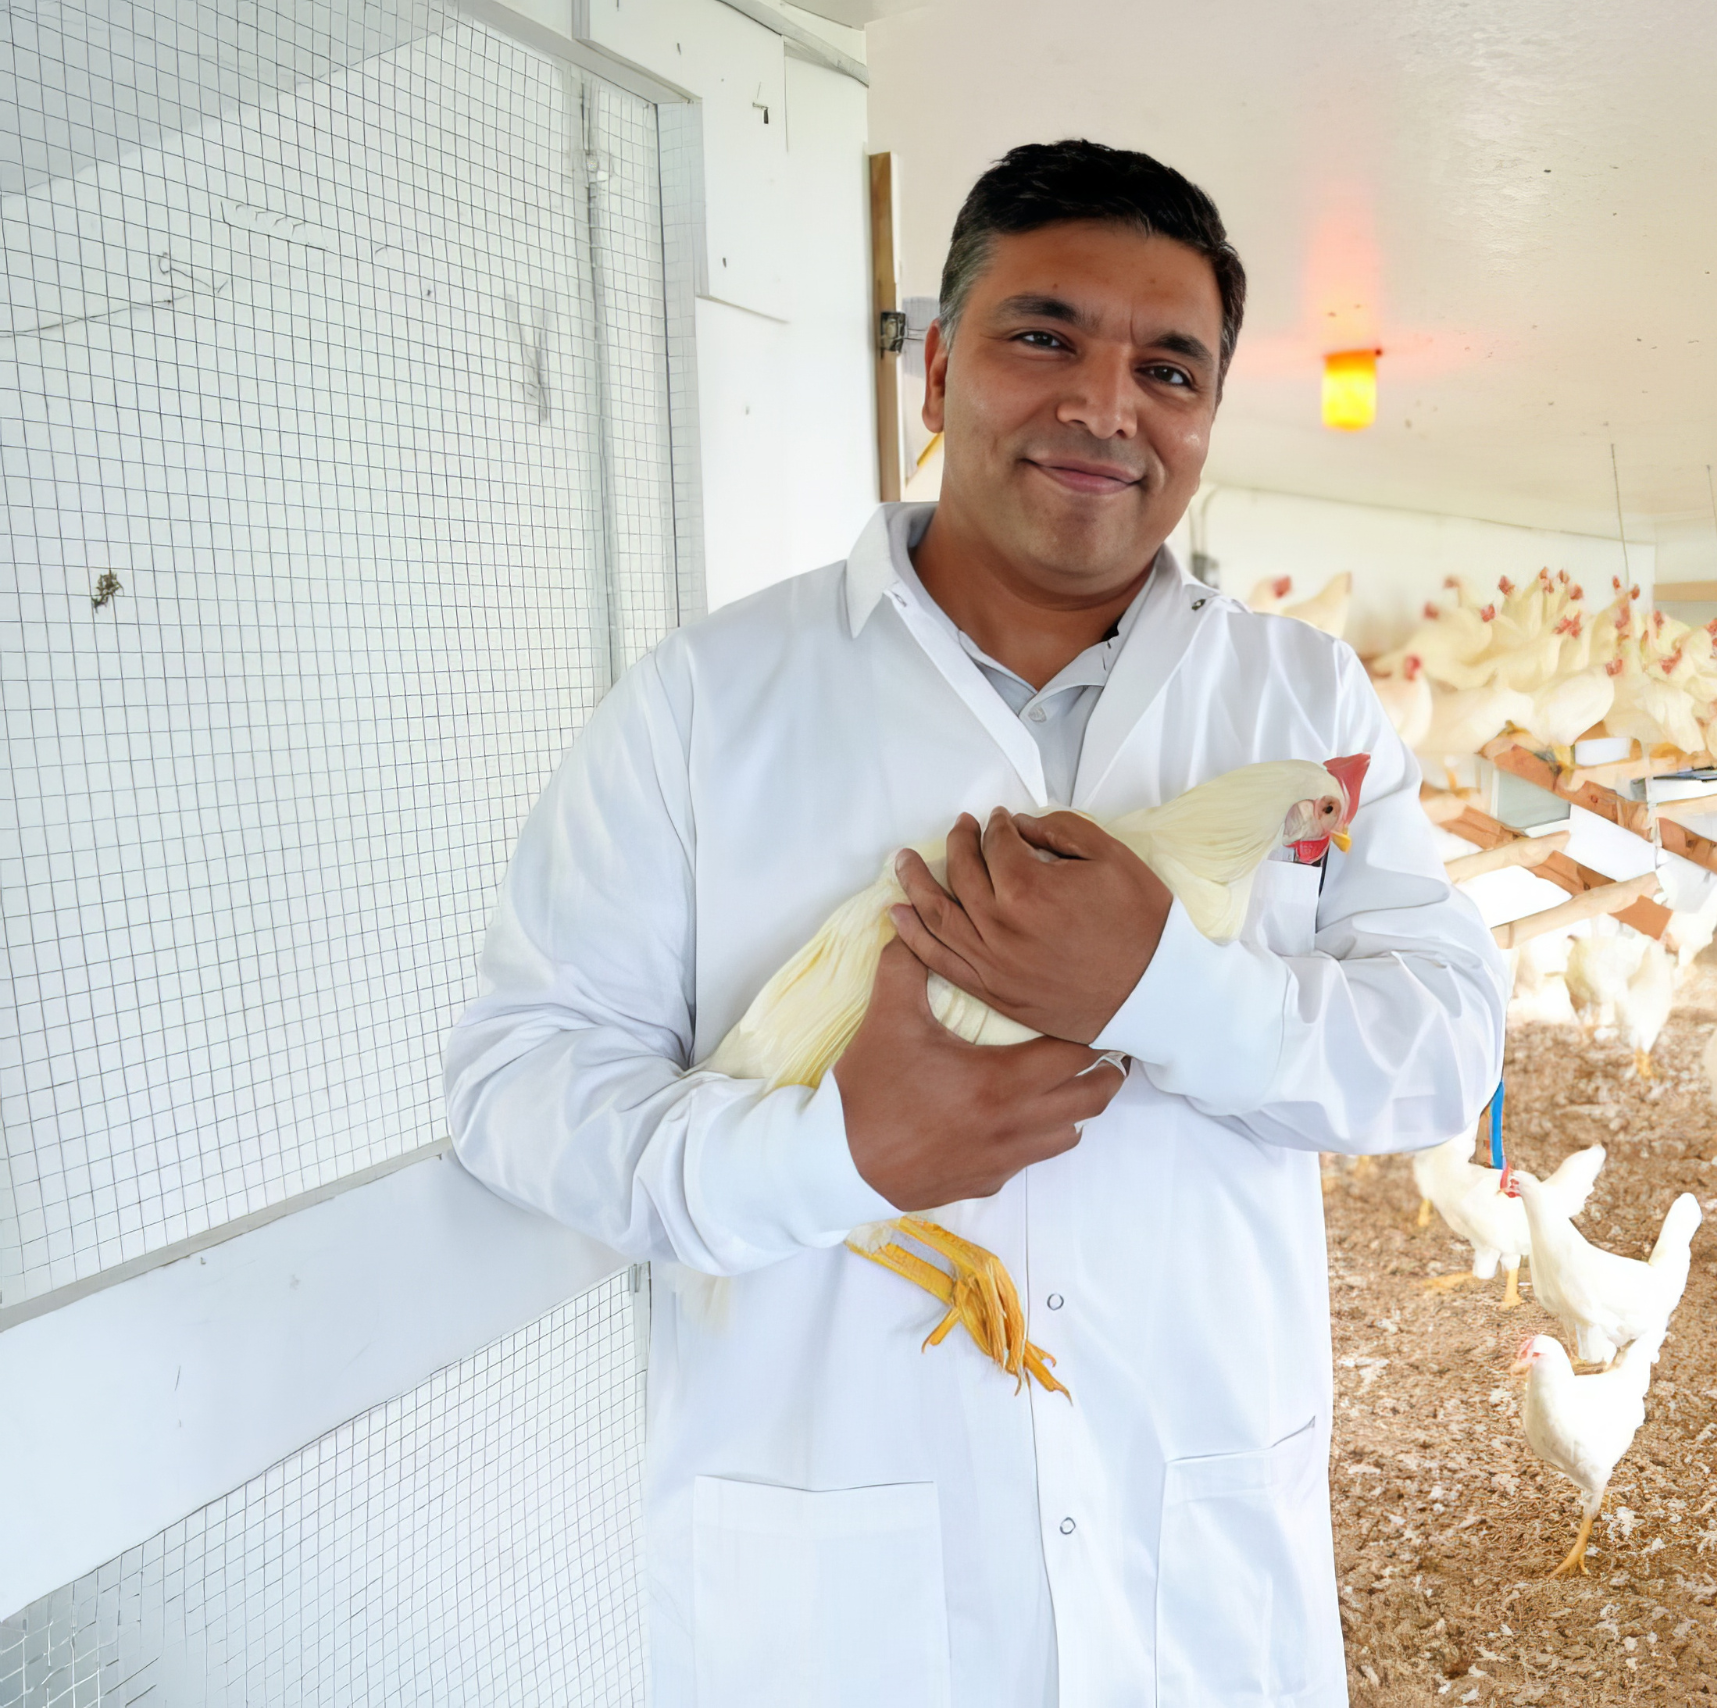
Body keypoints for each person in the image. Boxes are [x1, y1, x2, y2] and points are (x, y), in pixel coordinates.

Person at [445, 139, 1505, 1707]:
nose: (1105, 405)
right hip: (842, 1606)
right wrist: (836, 1157)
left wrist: (1165, 986)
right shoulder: (705, 703)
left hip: (1194, 1578)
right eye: (1042, 336)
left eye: (1170, 366)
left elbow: (1444, 1044)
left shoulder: (1303, 699)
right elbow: (518, 1088)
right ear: (939, 369)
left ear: (1209, 417)